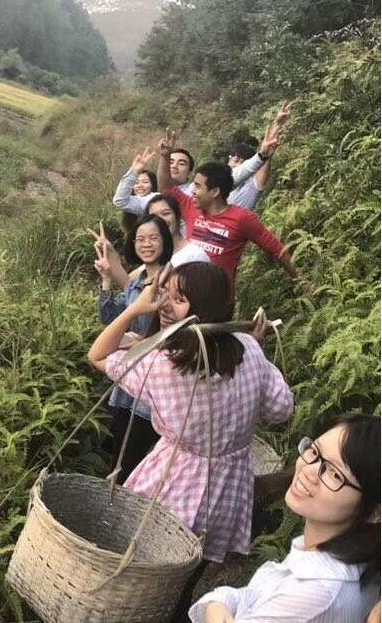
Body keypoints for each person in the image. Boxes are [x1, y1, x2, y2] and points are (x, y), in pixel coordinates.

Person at [88, 262, 294, 565]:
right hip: (230, 490)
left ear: (204, 308)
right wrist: (259, 354)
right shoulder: (249, 349)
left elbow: (98, 355)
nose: (164, 305)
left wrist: (135, 309)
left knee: (147, 561)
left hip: (175, 484)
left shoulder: (164, 365)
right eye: (164, 294)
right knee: (196, 563)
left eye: (179, 299)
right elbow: (281, 409)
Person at [189, 415, 381, 623]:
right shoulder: (347, 565)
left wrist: (217, 604)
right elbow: (251, 597)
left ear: (374, 512)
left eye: (335, 474)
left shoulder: (314, 593)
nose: (309, 471)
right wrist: (219, 603)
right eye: (314, 452)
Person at [94, 214, 173, 482]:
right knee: (119, 450)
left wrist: (144, 341)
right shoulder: (137, 281)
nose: (146, 244)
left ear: (165, 241)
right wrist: (106, 279)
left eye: (153, 238)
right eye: (140, 239)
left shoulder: (173, 281)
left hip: (153, 381)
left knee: (136, 458)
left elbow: (180, 328)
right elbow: (110, 319)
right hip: (127, 379)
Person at [161, 160, 296, 295]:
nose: (193, 192)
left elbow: (278, 251)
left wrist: (301, 282)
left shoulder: (242, 218)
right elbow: (166, 188)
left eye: (198, 186)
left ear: (215, 191)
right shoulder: (191, 207)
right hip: (184, 295)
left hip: (217, 299)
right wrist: (164, 156)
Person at [227, 101, 293, 211]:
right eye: (236, 159)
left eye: (243, 162)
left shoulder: (251, 186)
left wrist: (277, 124)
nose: (238, 164)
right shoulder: (216, 185)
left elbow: (265, 153)